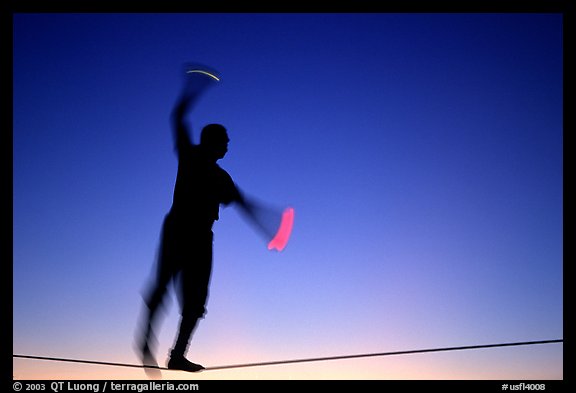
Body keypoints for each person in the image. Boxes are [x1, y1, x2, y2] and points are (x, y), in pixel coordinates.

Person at [137, 73, 248, 373]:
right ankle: (145, 338)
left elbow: (242, 201)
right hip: (179, 229)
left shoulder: (222, 177)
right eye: (224, 141)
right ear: (211, 141)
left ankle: (177, 356)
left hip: (202, 237)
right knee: (163, 286)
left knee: (196, 302)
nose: (227, 147)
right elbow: (177, 117)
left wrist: (270, 225)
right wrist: (193, 87)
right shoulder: (191, 156)